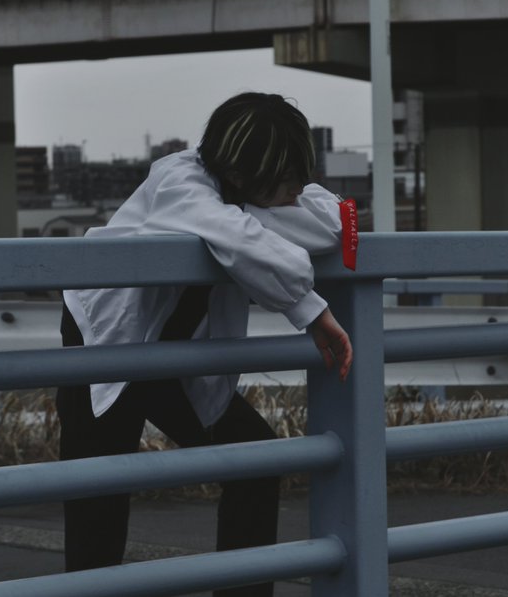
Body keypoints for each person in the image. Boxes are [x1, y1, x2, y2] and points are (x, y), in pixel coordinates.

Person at [56, 92, 355, 597]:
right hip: (106, 340)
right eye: (287, 180)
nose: (298, 191)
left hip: (180, 352)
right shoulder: (177, 180)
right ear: (240, 173)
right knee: (99, 498)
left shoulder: (235, 198)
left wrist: (252, 215)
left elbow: (331, 221)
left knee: (256, 463)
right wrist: (313, 311)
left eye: (301, 177)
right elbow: (240, 239)